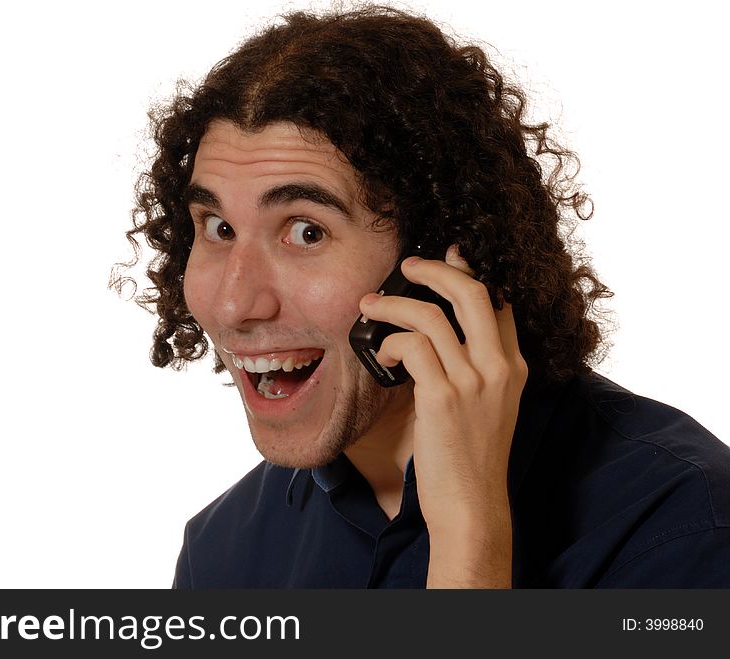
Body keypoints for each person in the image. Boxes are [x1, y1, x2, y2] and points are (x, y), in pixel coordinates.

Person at [113, 7, 730, 587]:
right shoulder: (225, 556)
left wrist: (469, 537)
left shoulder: (679, 524)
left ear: (441, 259)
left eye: (307, 231)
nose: (233, 305)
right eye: (218, 229)